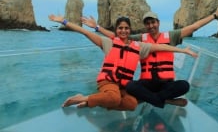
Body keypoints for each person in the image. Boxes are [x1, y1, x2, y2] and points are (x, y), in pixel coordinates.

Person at [81, 3, 218, 108]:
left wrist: (215, 15)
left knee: (185, 85)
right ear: (145, 26)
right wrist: (97, 27)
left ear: (158, 22)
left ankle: (157, 99)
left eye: (153, 22)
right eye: (148, 23)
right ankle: (164, 100)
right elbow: (117, 37)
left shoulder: (171, 36)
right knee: (130, 85)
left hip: (165, 83)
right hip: (147, 83)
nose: (151, 25)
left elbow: (194, 26)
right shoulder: (141, 39)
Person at [49, 15, 197, 111]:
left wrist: (183, 51)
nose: (124, 31)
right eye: (120, 28)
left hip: (124, 86)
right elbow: (85, 32)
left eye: (126, 28)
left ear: (130, 30)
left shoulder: (138, 46)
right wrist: (63, 21)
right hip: (108, 82)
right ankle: (85, 98)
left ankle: (97, 101)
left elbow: (162, 47)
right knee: (114, 98)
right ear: (116, 30)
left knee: (132, 104)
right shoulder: (108, 42)